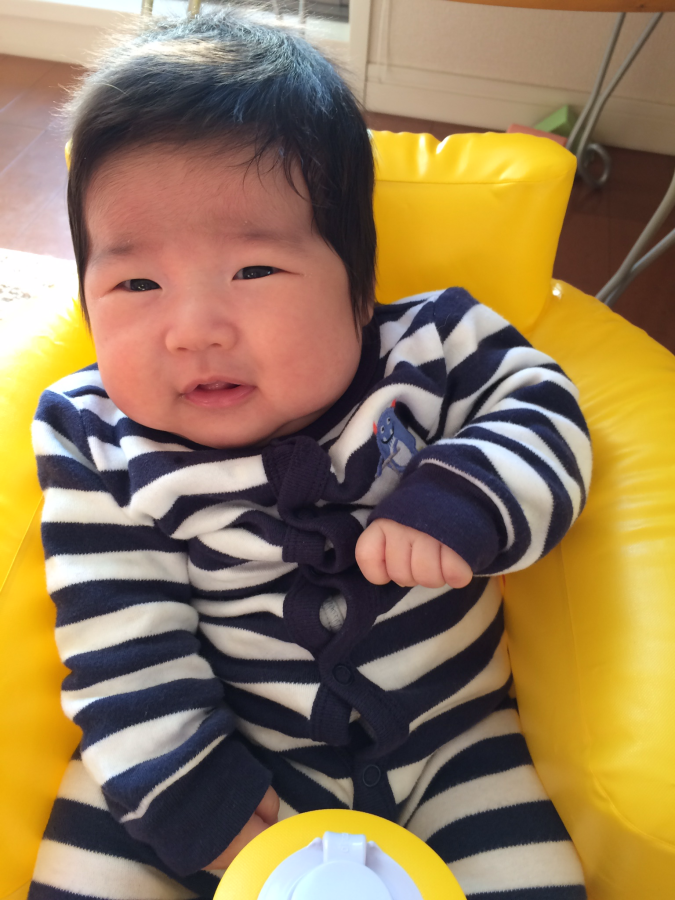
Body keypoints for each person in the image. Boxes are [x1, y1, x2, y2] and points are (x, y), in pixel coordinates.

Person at [29, 10, 591, 900]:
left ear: (358, 286)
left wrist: (459, 499)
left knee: (529, 873)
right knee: (91, 851)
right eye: (136, 283)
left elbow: (543, 410)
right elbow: (117, 633)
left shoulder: (434, 346)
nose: (193, 331)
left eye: (252, 272)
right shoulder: (93, 432)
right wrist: (192, 795)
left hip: (449, 740)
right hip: (220, 751)